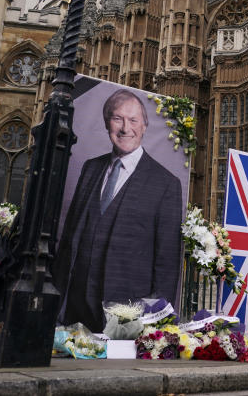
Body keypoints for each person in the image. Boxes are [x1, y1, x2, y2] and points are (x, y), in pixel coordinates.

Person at [54, 88, 183, 332]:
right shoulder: (90, 168)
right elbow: (70, 236)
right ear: (107, 124)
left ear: (144, 126)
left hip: (125, 316)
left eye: (133, 120)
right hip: (73, 311)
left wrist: (155, 323)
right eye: (117, 119)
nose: (125, 128)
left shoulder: (166, 183)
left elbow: (166, 262)